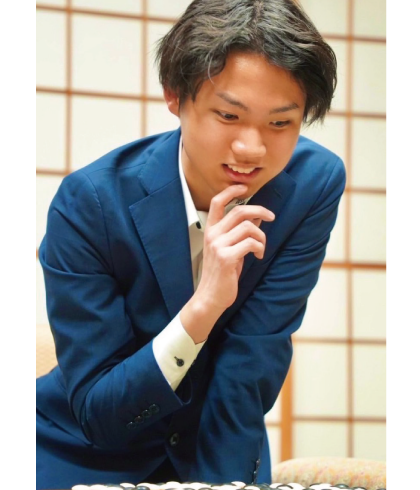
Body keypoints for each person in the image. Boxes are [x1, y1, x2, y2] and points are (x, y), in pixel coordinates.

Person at [36, 0, 346, 488]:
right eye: (228, 115)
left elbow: (253, 359)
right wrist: (203, 308)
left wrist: (221, 486)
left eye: (280, 122)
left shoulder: (312, 184)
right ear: (175, 95)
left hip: (218, 449)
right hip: (86, 454)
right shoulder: (89, 203)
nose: (252, 148)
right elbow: (98, 410)